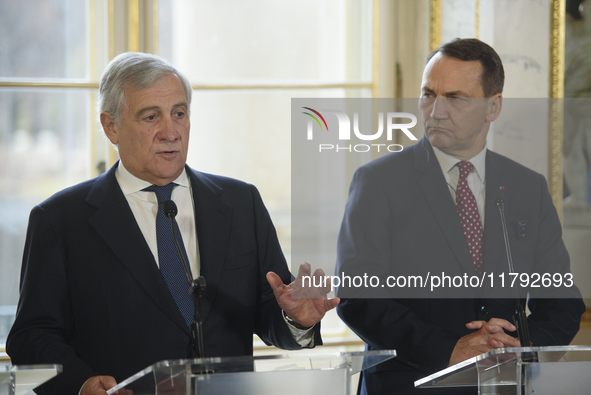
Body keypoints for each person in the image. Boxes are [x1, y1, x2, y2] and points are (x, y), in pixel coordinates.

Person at [7, 52, 339, 395]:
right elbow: (32, 337)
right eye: (151, 117)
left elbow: (270, 314)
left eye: (179, 114)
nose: (171, 132)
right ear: (111, 127)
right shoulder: (61, 219)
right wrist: (82, 384)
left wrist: (296, 319)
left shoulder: (241, 203)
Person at [335, 38, 585, 395]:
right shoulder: (378, 182)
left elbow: (563, 302)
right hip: (408, 385)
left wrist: (519, 347)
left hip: (503, 385)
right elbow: (357, 297)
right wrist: (449, 349)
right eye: (428, 94)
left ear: (492, 106)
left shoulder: (527, 187)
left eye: (454, 98)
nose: (436, 110)